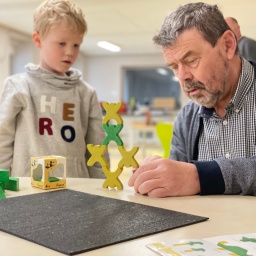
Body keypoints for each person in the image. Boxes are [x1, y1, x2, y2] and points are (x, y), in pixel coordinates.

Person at [128, 2, 256, 197]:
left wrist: (200, 177)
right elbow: (177, 193)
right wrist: (159, 178)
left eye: (191, 60)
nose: (182, 77)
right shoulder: (187, 118)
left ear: (228, 45)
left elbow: (192, 179)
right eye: (174, 67)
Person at [0, 0, 108, 178]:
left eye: (76, 45)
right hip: (29, 191)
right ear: (38, 40)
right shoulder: (18, 86)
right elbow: (2, 140)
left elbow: (97, 148)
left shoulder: (86, 93)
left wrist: (101, 186)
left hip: (78, 190)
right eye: (61, 43)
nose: (69, 52)